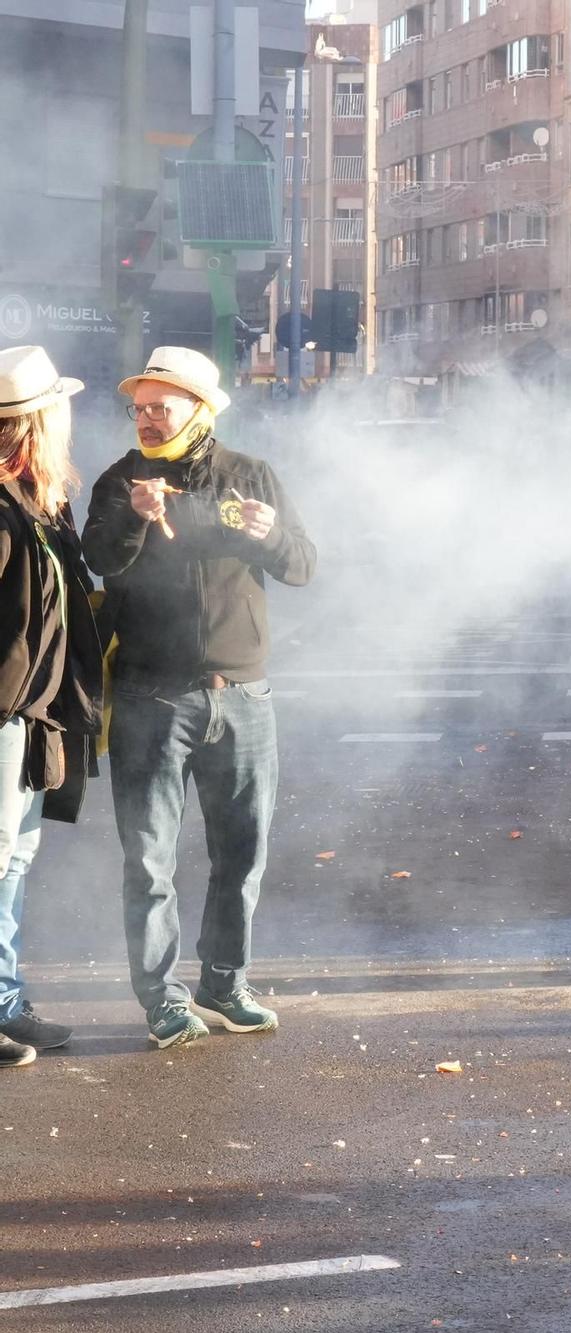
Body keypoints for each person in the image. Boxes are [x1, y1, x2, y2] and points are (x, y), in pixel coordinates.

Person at [82, 346, 315, 1049]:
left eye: (163, 406)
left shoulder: (252, 475)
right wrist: (135, 517)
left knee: (242, 853)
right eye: (140, 408)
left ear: (201, 409)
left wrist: (269, 532)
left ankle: (224, 980)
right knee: (149, 860)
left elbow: (303, 564)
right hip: (152, 696)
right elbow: (98, 558)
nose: (148, 419)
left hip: (243, 695)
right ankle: (162, 998)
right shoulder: (121, 481)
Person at [0, 347, 103, 1068]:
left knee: (14, 857)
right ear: (39, 421)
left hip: (37, 712)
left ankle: (5, 1000)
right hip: (6, 712)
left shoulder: (43, 501)